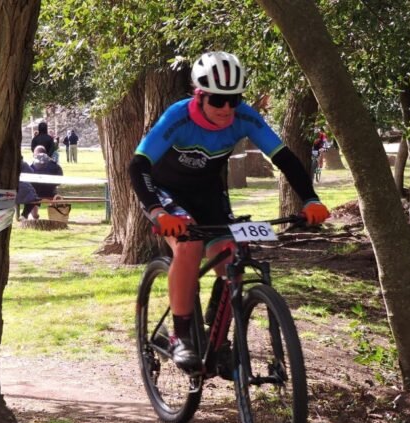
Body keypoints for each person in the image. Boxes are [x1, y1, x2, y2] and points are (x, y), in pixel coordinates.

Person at [128, 51, 329, 370]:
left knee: (232, 254)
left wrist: (310, 200)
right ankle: (181, 336)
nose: (226, 108)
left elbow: (285, 158)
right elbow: (138, 166)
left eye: (233, 100)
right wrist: (157, 211)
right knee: (190, 245)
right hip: (166, 193)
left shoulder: (244, 117)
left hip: (208, 193)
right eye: (217, 100)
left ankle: (216, 335)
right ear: (200, 95)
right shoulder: (178, 116)